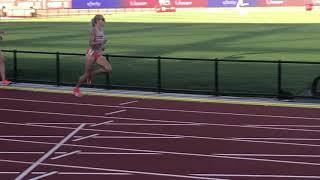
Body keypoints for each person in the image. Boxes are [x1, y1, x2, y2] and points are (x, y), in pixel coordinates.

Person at [73, 14, 112, 97]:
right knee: (86, 73)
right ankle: (76, 88)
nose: (103, 21)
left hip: (98, 53)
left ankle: (91, 75)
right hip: (91, 53)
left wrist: (102, 47)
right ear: (97, 21)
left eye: (104, 19)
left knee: (108, 69)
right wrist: (101, 43)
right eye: (102, 19)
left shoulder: (101, 30)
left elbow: (98, 44)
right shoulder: (93, 30)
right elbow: (91, 44)